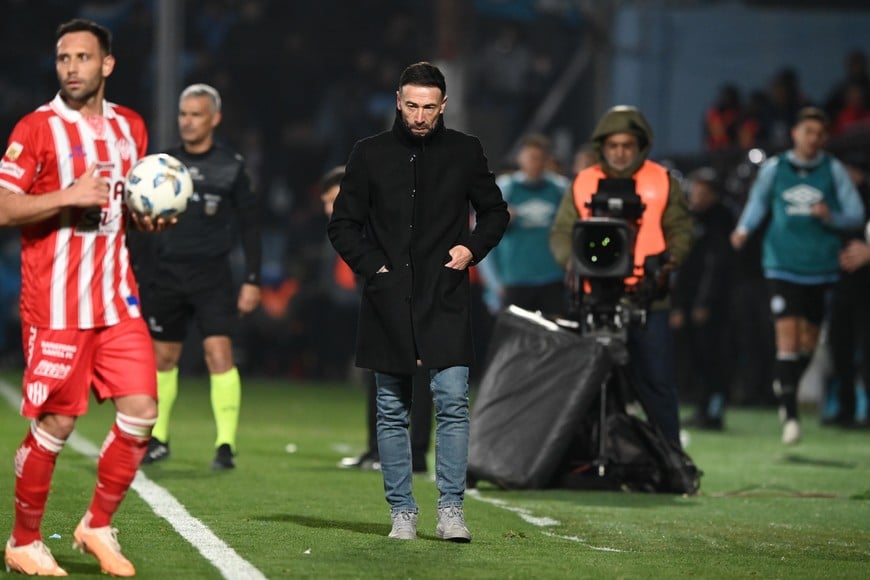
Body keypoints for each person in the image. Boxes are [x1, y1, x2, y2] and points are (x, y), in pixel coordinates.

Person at [0, 18, 169, 577]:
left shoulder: (132, 127)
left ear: (107, 65)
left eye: (82, 58)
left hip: (117, 300)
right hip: (56, 306)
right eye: (63, 58)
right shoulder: (37, 127)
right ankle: (24, 540)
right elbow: (3, 207)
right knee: (57, 426)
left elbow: (121, 212)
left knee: (143, 411)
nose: (71, 67)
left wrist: (148, 220)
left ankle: (96, 524)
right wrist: (67, 195)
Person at [328, 62, 509, 542]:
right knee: (392, 407)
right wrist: (374, 266)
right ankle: (402, 512)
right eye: (412, 105)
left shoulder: (465, 151)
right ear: (397, 100)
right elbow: (343, 224)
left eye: (430, 107)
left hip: (445, 293)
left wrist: (472, 249)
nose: (421, 115)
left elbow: (495, 211)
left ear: (443, 105)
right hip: (389, 297)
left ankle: (451, 509)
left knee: (452, 400)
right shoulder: (369, 154)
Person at [550, 105, 693, 446]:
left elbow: (681, 230)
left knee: (656, 384)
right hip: (594, 296)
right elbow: (561, 232)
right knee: (586, 386)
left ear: (640, 145)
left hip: (648, 297)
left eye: (627, 146)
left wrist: (669, 261)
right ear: (602, 146)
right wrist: (571, 261)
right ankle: (585, 457)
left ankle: (670, 461)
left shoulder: (662, 181)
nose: (620, 153)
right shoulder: (583, 182)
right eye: (613, 146)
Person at [138, 83, 261, 469]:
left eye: (195, 114)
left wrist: (252, 278)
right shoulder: (162, 165)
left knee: (217, 351)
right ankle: (158, 438)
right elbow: (138, 221)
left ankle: (225, 445)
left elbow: (250, 226)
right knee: (164, 356)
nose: (187, 121)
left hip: (212, 274)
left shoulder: (231, 166)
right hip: (167, 273)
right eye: (183, 114)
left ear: (214, 119)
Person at [731, 107, 864, 445]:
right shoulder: (776, 169)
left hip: (820, 267)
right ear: (795, 134)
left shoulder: (832, 170)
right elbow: (758, 202)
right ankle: (790, 414)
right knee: (787, 335)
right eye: (808, 132)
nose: (813, 139)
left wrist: (830, 216)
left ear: (825, 138)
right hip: (781, 262)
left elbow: (855, 216)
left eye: (819, 134)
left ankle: (785, 381)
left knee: (808, 341)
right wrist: (744, 229)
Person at [321, 167, 433, 474]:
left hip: (411, 293)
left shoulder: (382, 218)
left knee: (419, 366)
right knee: (377, 365)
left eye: (333, 200)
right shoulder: (356, 227)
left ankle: (417, 453)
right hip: (381, 297)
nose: (329, 209)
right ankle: (377, 451)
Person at [670, 169, 735, 430]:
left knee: (713, 355)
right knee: (695, 355)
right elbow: (680, 267)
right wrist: (678, 303)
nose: (697, 198)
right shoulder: (687, 220)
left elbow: (716, 265)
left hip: (712, 302)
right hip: (689, 300)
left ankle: (714, 409)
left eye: (703, 193)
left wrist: (704, 302)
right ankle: (702, 407)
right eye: (695, 192)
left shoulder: (720, 220)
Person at [478, 133, 569, 317]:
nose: (535, 163)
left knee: (556, 341)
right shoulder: (505, 189)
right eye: (530, 157)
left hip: (553, 279)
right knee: (515, 343)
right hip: (515, 281)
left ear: (546, 160)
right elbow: (481, 237)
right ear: (520, 158)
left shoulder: (560, 189)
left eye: (540, 158)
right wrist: (494, 284)